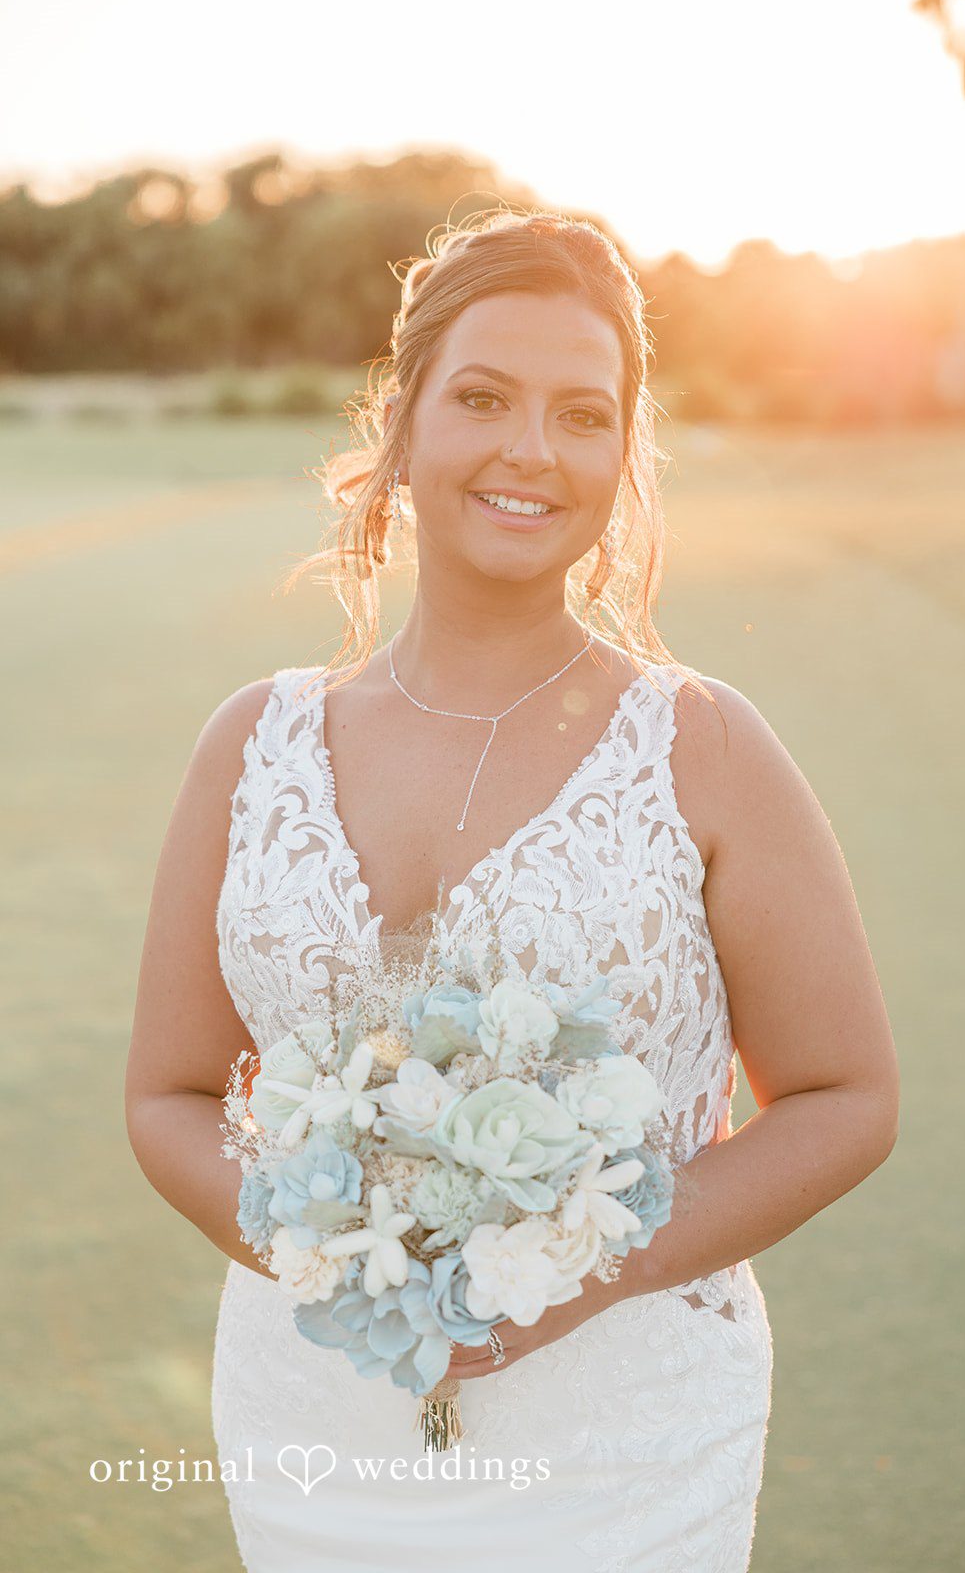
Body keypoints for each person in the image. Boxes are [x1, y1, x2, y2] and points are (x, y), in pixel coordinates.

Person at [125, 210, 899, 1572]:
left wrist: (577, 1274)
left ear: (622, 456)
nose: (532, 450)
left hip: (623, 1436)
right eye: (484, 398)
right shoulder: (252, 745)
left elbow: (847, 1099)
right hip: (316, 1411)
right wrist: (325, 1244)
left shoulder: (704, 747)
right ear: (404, 420)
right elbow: (169, 1095)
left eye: (583, 415)